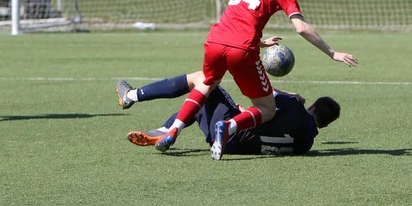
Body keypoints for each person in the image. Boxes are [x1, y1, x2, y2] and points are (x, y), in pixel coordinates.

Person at [153, 0, 358, 160]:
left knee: (206, 84)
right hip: (242, 49)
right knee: (265, 108)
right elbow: (301, 27)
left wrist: (288, 95)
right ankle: (229, 126)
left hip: (217, 38)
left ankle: (172, 128)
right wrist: (331, 52)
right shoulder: (306, 144)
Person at [116, 72, 340, 156]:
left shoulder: (295, 106)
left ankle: (133, 96)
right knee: (200, 106)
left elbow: (265, 92)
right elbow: (273, 126)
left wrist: (290, 94)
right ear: (325, 126)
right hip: (235, 146)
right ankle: (164, 131)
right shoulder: (306, 145)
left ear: (311, 106)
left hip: (228, 131)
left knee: (203, 81)